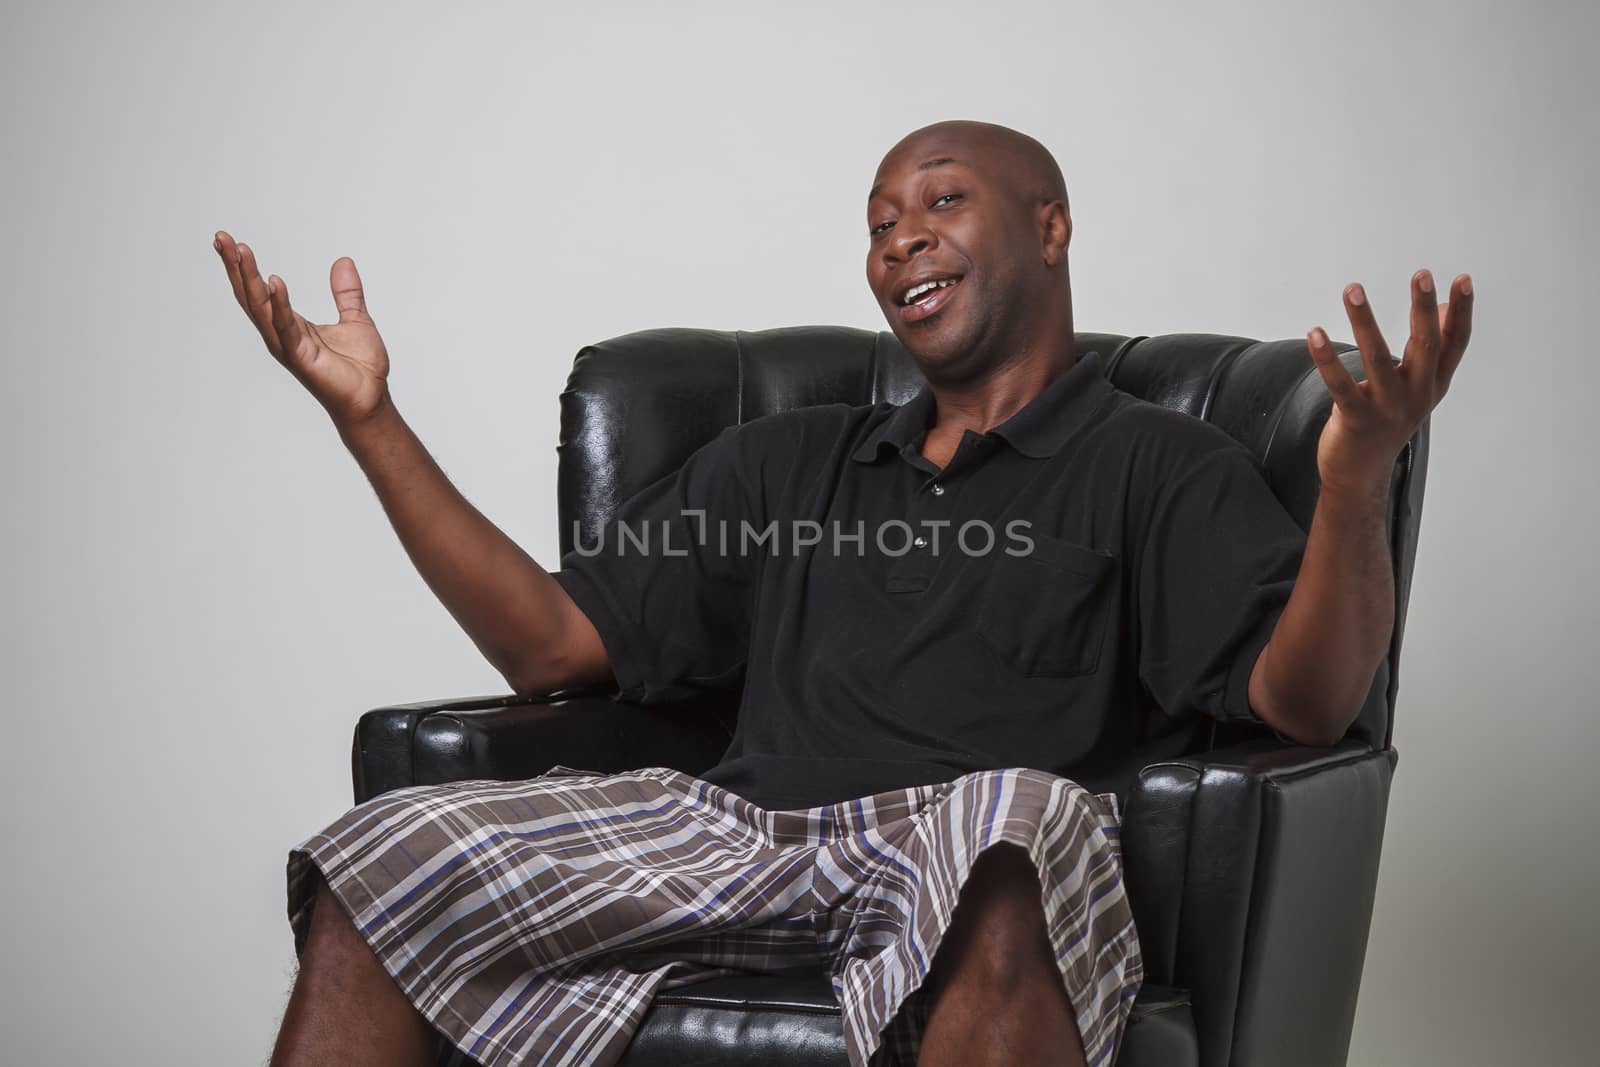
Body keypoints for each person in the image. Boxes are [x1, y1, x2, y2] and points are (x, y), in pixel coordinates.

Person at [213, 120, 1473, 1067]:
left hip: (968, 840)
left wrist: (1355, 480)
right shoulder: (789, 459)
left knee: (1010, 826)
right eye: (878, 221)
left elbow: (1305, 706)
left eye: (941, 202)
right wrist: (372, 425)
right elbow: (551, 647)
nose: (898, 237)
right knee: (377, 855)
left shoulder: (1155, 462)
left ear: (1049, 225)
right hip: (741, 836)